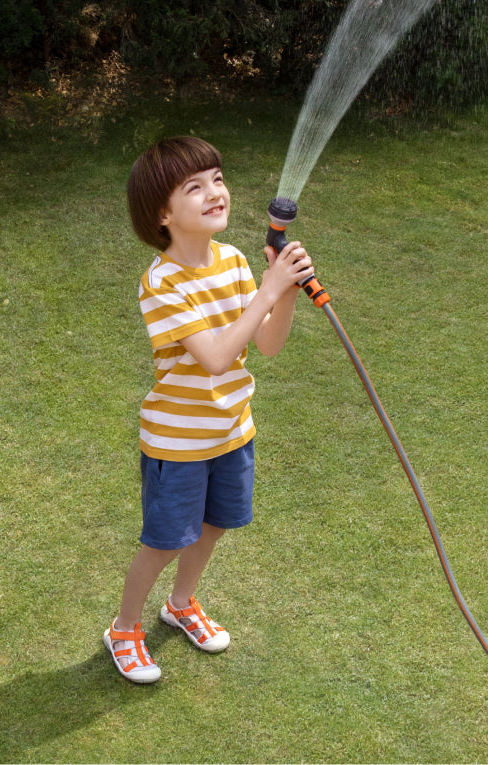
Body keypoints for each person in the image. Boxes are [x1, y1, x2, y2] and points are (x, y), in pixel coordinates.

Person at [105, 135, 314, 683]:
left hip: (231, 431)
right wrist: (267, 292)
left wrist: (284, 290)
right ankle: (124, 629)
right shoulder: (161, 283)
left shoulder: (233, 261)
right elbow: (218, 357)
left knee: (212, 527)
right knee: (163, 542)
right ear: (162, 214)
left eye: (217, 179)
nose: (214, 192)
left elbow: (264, 345)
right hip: (178, 443)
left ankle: (180, 605)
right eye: (193, 187)